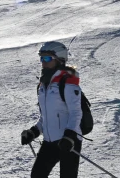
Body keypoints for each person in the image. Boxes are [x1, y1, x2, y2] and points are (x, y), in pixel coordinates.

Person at [20, 41, 85, 178]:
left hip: (68, 142)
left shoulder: (67, 83)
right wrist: (34, 131)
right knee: (37, 175)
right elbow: (46, 116)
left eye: (47, 58)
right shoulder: (43, 85)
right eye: (41, 58)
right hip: (49, 142)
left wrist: (70, 136)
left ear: (59, 59)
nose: (43, 62)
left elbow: (76, 112)